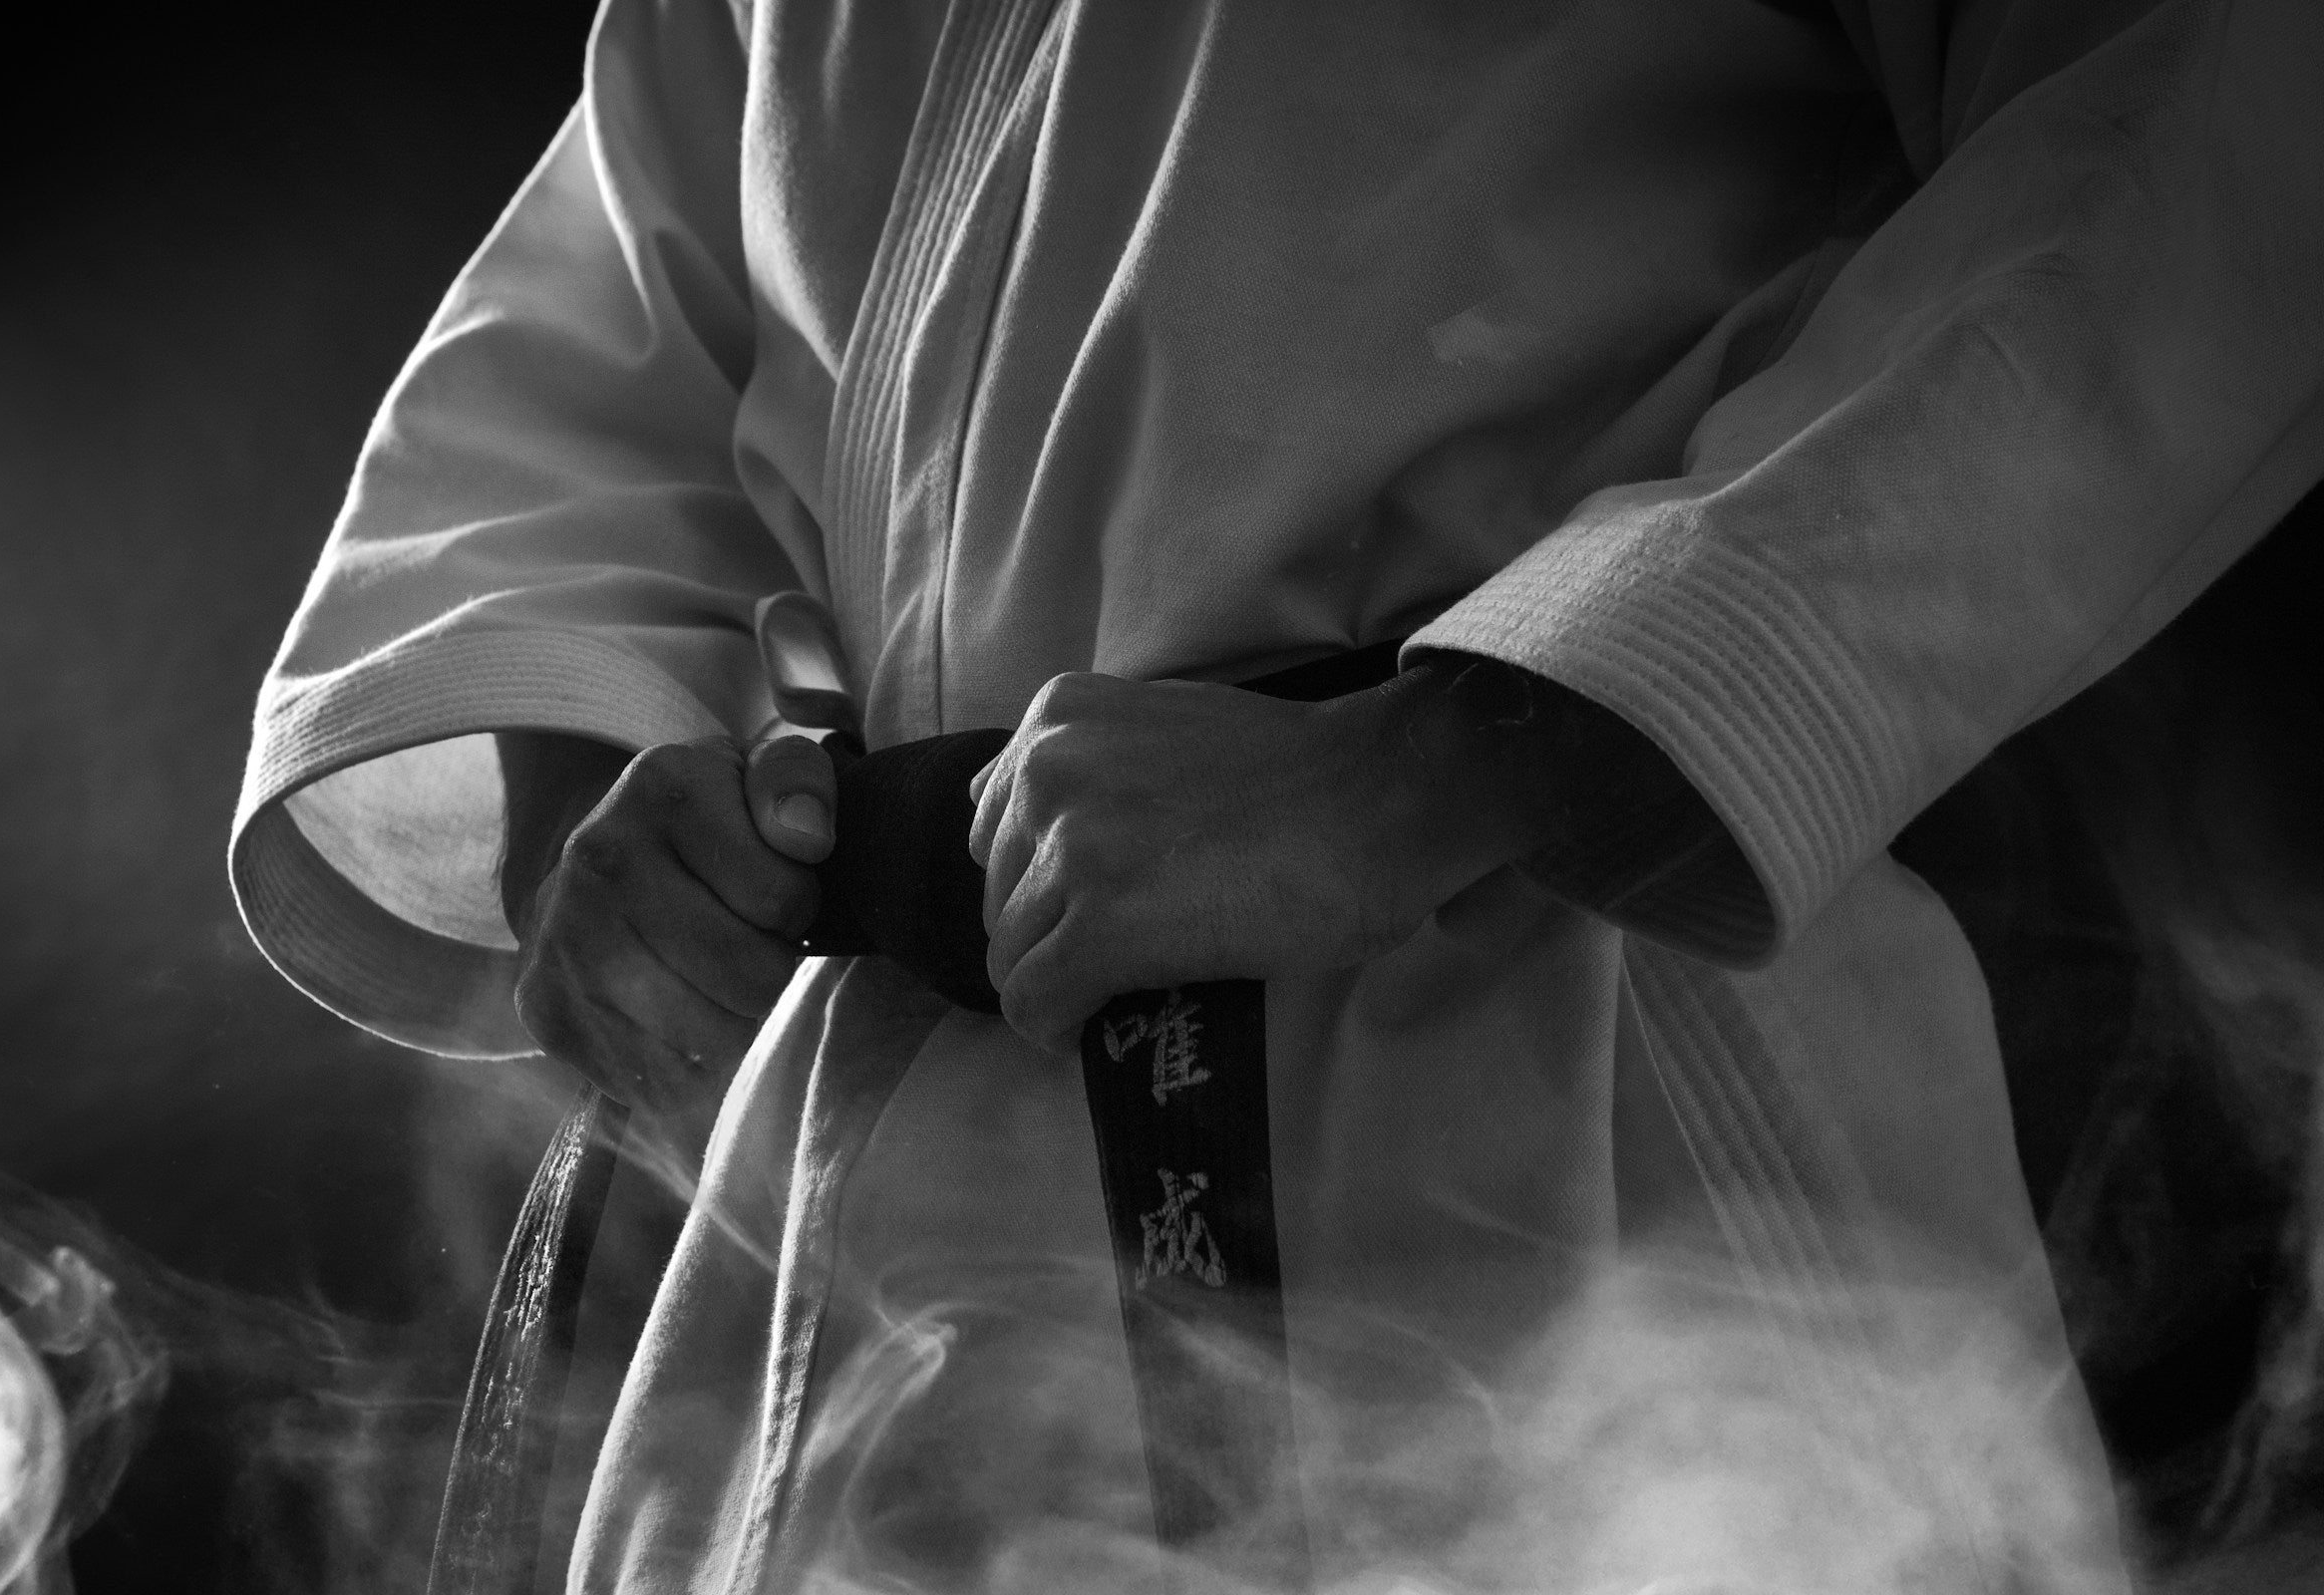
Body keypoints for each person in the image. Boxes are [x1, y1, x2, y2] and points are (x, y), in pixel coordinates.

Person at [231, 0, 2324, 1588]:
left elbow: (2217, 133)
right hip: (867, 1176)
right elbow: (616, 333)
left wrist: (1437, 765)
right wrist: (599, 805)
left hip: (1570, 1064)